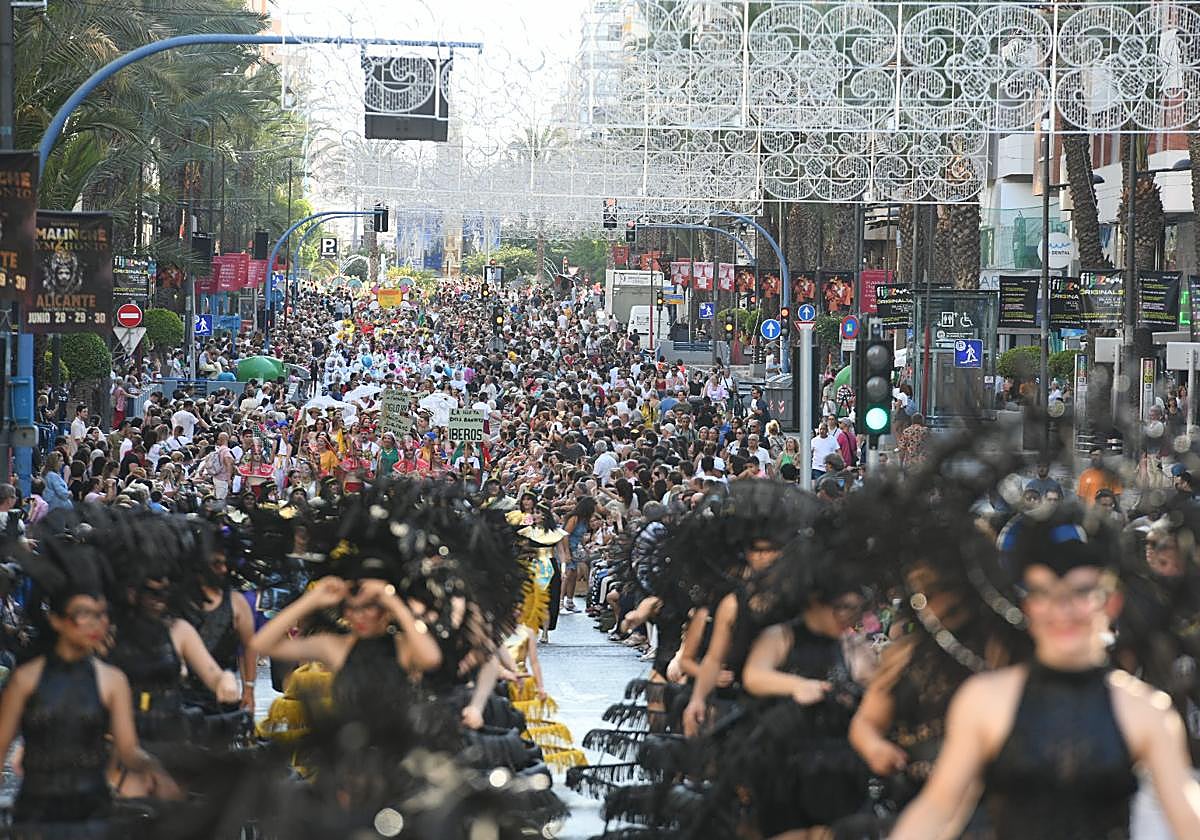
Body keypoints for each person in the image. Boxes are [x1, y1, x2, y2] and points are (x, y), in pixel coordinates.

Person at [892, 508, 1200, 839]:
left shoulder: (1146, 710)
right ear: (1028, 607)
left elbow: (1186, 816)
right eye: (1044, 593)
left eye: (1080, 592)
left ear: (1109, 603)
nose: (1062, 611)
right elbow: (939, 808)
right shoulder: (985, 701)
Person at [1, 537, 179, 830]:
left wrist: (159, 774)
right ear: (57, 621)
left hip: (93, 810)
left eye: (100, 614)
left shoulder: (112, 679)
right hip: (37, 815)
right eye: (83, 614)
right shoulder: (25, 679)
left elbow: (128, 749)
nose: (95, 624)